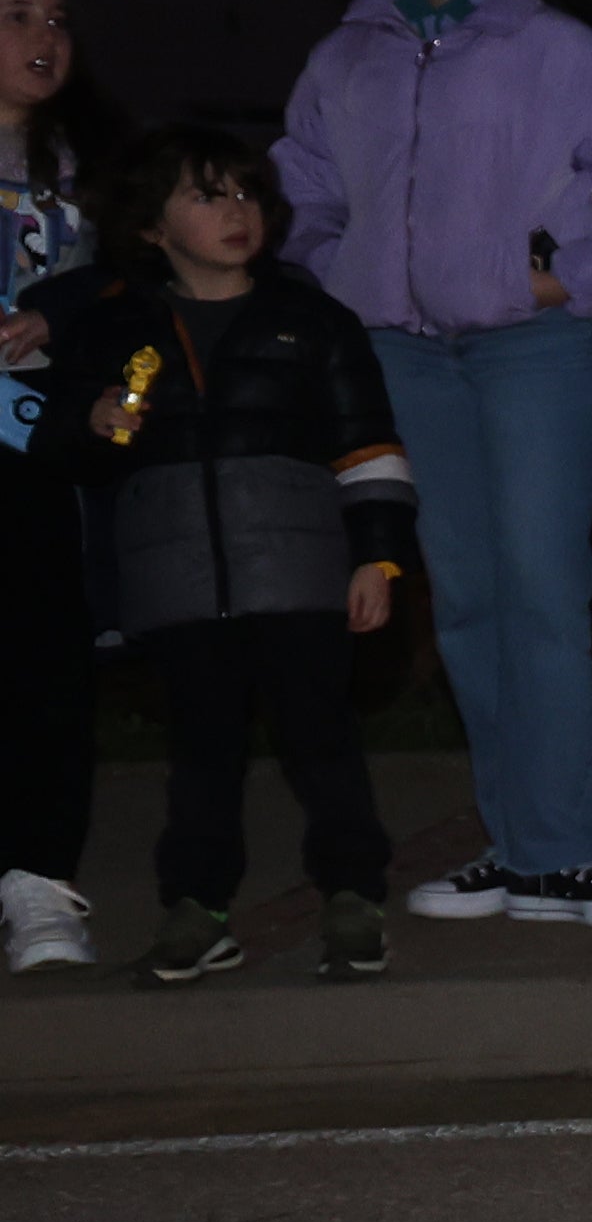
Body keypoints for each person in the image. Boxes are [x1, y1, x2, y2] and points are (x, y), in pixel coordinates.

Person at [274, 0, 592, 929]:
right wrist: (343, 277)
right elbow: (307, 201)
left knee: (540, 591)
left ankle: (564, 854)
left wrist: (564, 279)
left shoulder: (560, 48)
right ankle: (512, 848)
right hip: (401, 359)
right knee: (465, 602)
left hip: (537, 352)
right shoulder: (345, 56)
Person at [40, 126, 417, 984]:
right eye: (205, 195)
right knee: (201, 755)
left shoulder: (312, 319)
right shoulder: (111, 329)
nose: (235, 211)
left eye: (246, 192)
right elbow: (69, 451)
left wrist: (378, 558)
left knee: (321, 741)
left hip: (301, 575)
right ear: (150, 226)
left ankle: (354, 899)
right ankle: (197, 909)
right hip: (176, 583)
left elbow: (370, 447)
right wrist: (94, 426)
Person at [0, 0, 110, 971]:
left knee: (45, 670)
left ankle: (39, 886)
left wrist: (53, 314)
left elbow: (126, 287)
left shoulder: (88, 168)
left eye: (59, 18)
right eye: (17, 14)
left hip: (38, 453)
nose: (46, 35)